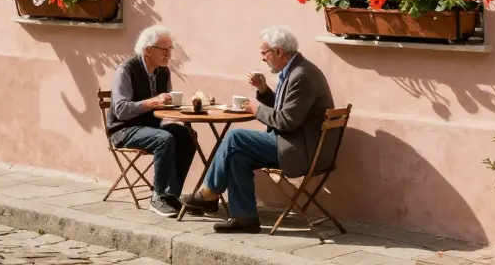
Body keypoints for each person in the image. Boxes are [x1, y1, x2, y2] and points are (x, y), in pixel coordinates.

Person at [180, 26, 337, 233]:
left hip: (300, 151)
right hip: (297, 143)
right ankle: (244, 218)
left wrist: (257, 108)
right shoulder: (296, 70)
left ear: (279, 51)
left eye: (265, 53)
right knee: (238, 156)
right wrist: (263, 90)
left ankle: (209, 192)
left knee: (235, 137)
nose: (263, 58)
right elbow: (287, 112)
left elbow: (286, 121)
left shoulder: (302, 75)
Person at [105, 25, 196, 217]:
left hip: (151, 127)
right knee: (164, 138)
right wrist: (152, 102)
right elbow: (121, 110)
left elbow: (164, 106)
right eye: (164, 50)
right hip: (124, 129)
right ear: (148, 50)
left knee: (188, 135)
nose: (169, 55)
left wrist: (181, 105)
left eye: (170, 49)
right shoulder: (126, 70)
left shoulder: (164, 72)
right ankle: (157, 196)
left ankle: (172, 194)